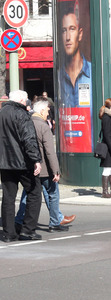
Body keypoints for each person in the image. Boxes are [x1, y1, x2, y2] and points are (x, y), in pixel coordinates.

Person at [15, 99, 75, 232]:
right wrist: (56, 170)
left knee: (28, 194)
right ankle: (55, 222)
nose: (48, 112)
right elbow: (49, 151)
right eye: (47, 110)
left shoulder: (26, 124)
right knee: (53, 193)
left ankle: (19, 220)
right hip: (44, 168)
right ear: (41, 111)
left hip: (30, 167)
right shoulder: (43, 126)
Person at [0, 90, 43, 242]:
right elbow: (29, 139)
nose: (27, 103)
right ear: (20, 100)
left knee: (8, 197)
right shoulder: (21, 115)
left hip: (5, 163)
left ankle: (8, 232)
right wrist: (36, 160)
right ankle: (27, 230)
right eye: (25, 100)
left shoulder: (2, 112)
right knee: (34, 192)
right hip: (23, 163)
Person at [59, 5, 91, 108]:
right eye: (64, 30)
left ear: (80, 34)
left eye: (72, 29)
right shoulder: (59, 75)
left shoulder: (93, 74)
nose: (68, 37)